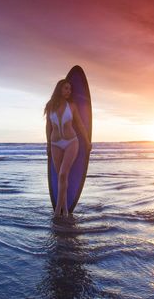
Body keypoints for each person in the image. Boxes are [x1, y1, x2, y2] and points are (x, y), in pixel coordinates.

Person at [44, 79, 92, 217]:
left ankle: (57, 212)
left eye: (70, 89)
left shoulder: (72, 106)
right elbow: (48, 127)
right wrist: (48, 144)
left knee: (63, 174)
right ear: (59, 88)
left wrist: (87, 142)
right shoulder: (50, 106)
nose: (68, 91)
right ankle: (65, 210)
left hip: (71, 142)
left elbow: (80, 125)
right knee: (60, 178)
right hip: (55, 144)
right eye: (66, 88)